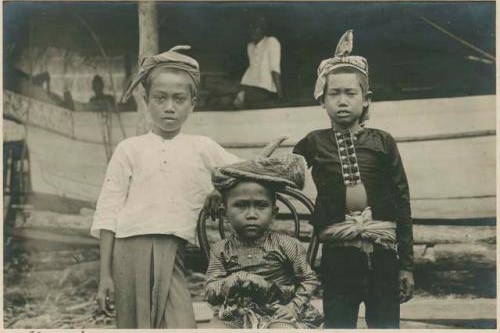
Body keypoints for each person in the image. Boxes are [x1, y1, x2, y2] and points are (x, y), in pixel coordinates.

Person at [90, 45, 241, 328]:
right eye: (160, 98)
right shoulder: (129, 149)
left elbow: (247, 173)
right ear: (146, 99)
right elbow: (108, 212)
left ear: (193, 103)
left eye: (179, 99)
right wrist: (104, 276)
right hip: (127, 249)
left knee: (180, 322)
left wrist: (221, 189)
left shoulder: (202, 147)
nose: (169, 107)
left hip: (173, 249)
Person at [293, 30, 414, 328]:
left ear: (366, 99)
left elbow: (402, 201)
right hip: (338, 258)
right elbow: (281, 176)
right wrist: (227, 187)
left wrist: (406, 266)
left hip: (384, 257)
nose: (342, 101)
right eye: (334, 94)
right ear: (322, 99)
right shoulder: (313, 142)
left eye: (351, 93)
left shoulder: (383, 142)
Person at [204, 153, 323, 329]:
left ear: (274, 213)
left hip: (279, 312)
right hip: (235, 314)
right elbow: (211, 292)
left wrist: (293, 307)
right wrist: (235, 279)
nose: (252, 214)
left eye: (261, 206)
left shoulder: (287, 244)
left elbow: (309, 280)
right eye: (241, 205)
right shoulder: (221, 249)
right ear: (224, 214)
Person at [233, 15, 282, 108]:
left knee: (234, 95)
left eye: (256, 27)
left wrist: (280, 96)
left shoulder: (271, 42)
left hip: (264, 89)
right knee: (226, 92)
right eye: (250, 27)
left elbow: (275, 70)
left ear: (263, 29)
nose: (252, 30)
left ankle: (240, 97)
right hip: (248, 86)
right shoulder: (250, 46)